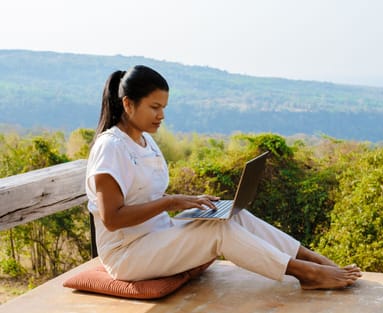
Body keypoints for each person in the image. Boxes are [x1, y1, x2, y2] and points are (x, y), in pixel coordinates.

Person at [86, 65, 362, 290]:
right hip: (128, 254)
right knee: (219, 231)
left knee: (230, 214)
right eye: (154, 107)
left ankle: (314, 259)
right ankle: (306, 274)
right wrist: (172, 203)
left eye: (164, 107)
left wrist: (188, 203)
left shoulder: (146, 142)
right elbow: (112, 218)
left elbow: (146, 196)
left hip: (158, 237)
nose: (162, 116)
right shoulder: (110, 147)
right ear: (128, 104)